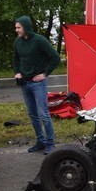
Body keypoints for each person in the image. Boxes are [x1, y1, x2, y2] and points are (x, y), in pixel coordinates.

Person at [13, 15, 60, 153]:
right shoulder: (17, 42)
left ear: (26, 27)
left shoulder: (39, 41)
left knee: (43, 114)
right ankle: (40, 141)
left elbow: (55, 58)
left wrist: (44, 74)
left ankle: (50, 143)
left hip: (37, 83)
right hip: (25, 83)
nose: (16, 30)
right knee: (32, 114)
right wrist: (17, 72)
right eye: (16, 27)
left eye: (18, 27)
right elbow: (15, 59)